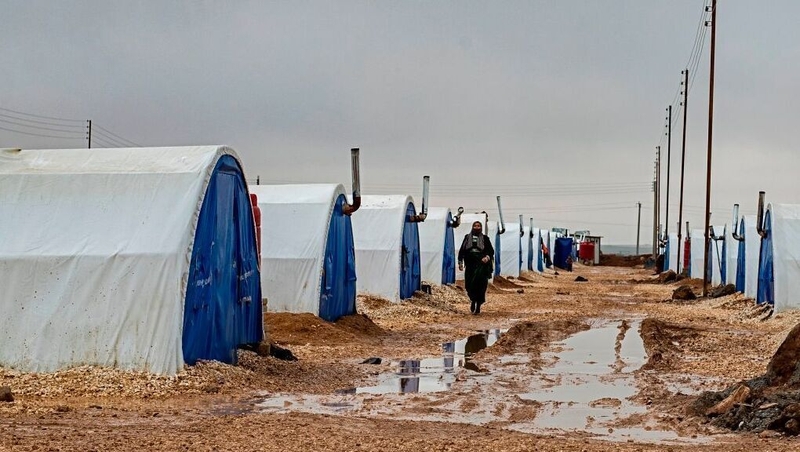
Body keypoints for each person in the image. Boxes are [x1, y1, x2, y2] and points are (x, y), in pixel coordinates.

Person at [458, 221, 495, 315]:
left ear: (481, 227)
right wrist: (460, 262)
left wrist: (487, 257)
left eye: (478, 226)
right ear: (472, 227)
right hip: (470, 263)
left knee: (480, 285)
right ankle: (473, 300)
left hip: (481, 264)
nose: (477, 227)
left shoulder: (485, 238)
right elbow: (462, 250)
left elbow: (490, 251)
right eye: (475, 226)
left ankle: (478, 305)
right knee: (469, 284)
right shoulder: (467, 237)